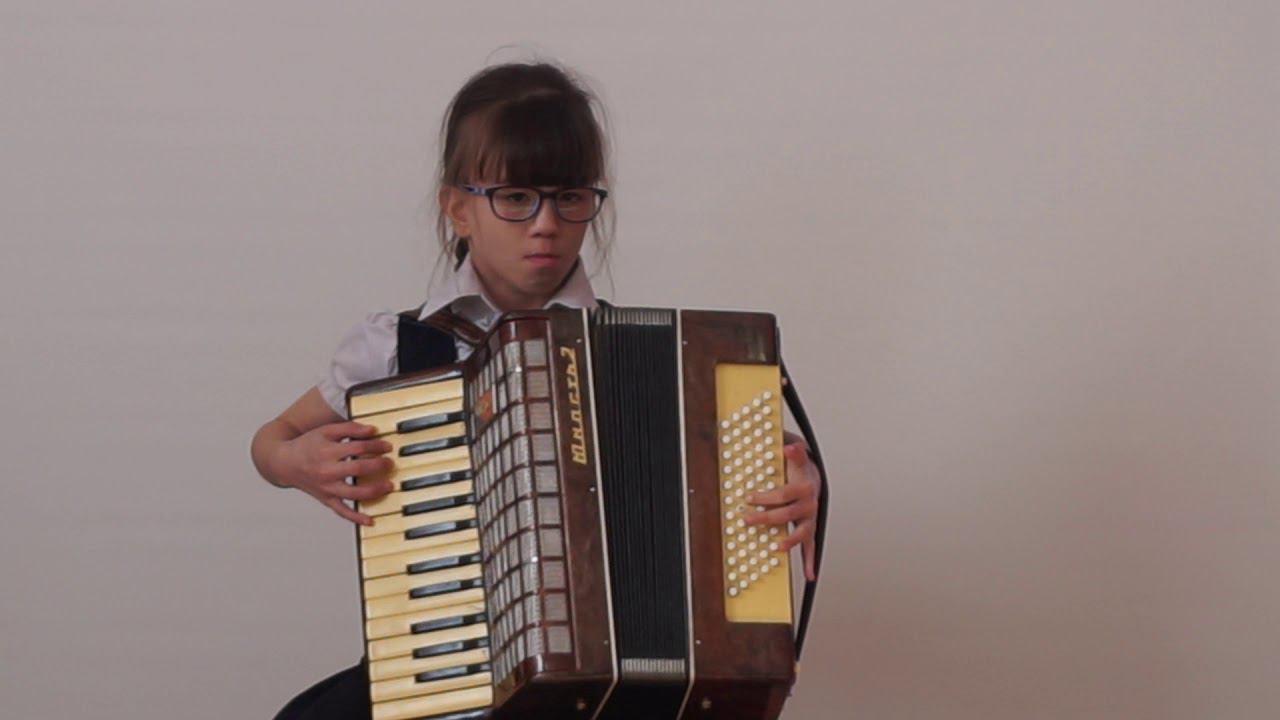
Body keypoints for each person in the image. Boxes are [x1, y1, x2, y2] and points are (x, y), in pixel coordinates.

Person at [250, 60, 822, 720]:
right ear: (458, 209)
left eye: (568, 197)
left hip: (604, 701)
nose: (545, 222)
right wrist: (293, 462)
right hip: (441, 677)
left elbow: (768, 465)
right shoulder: (393, 349)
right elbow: (271, 441)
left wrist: (799, 484)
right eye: (516, 197)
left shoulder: (657, 360)